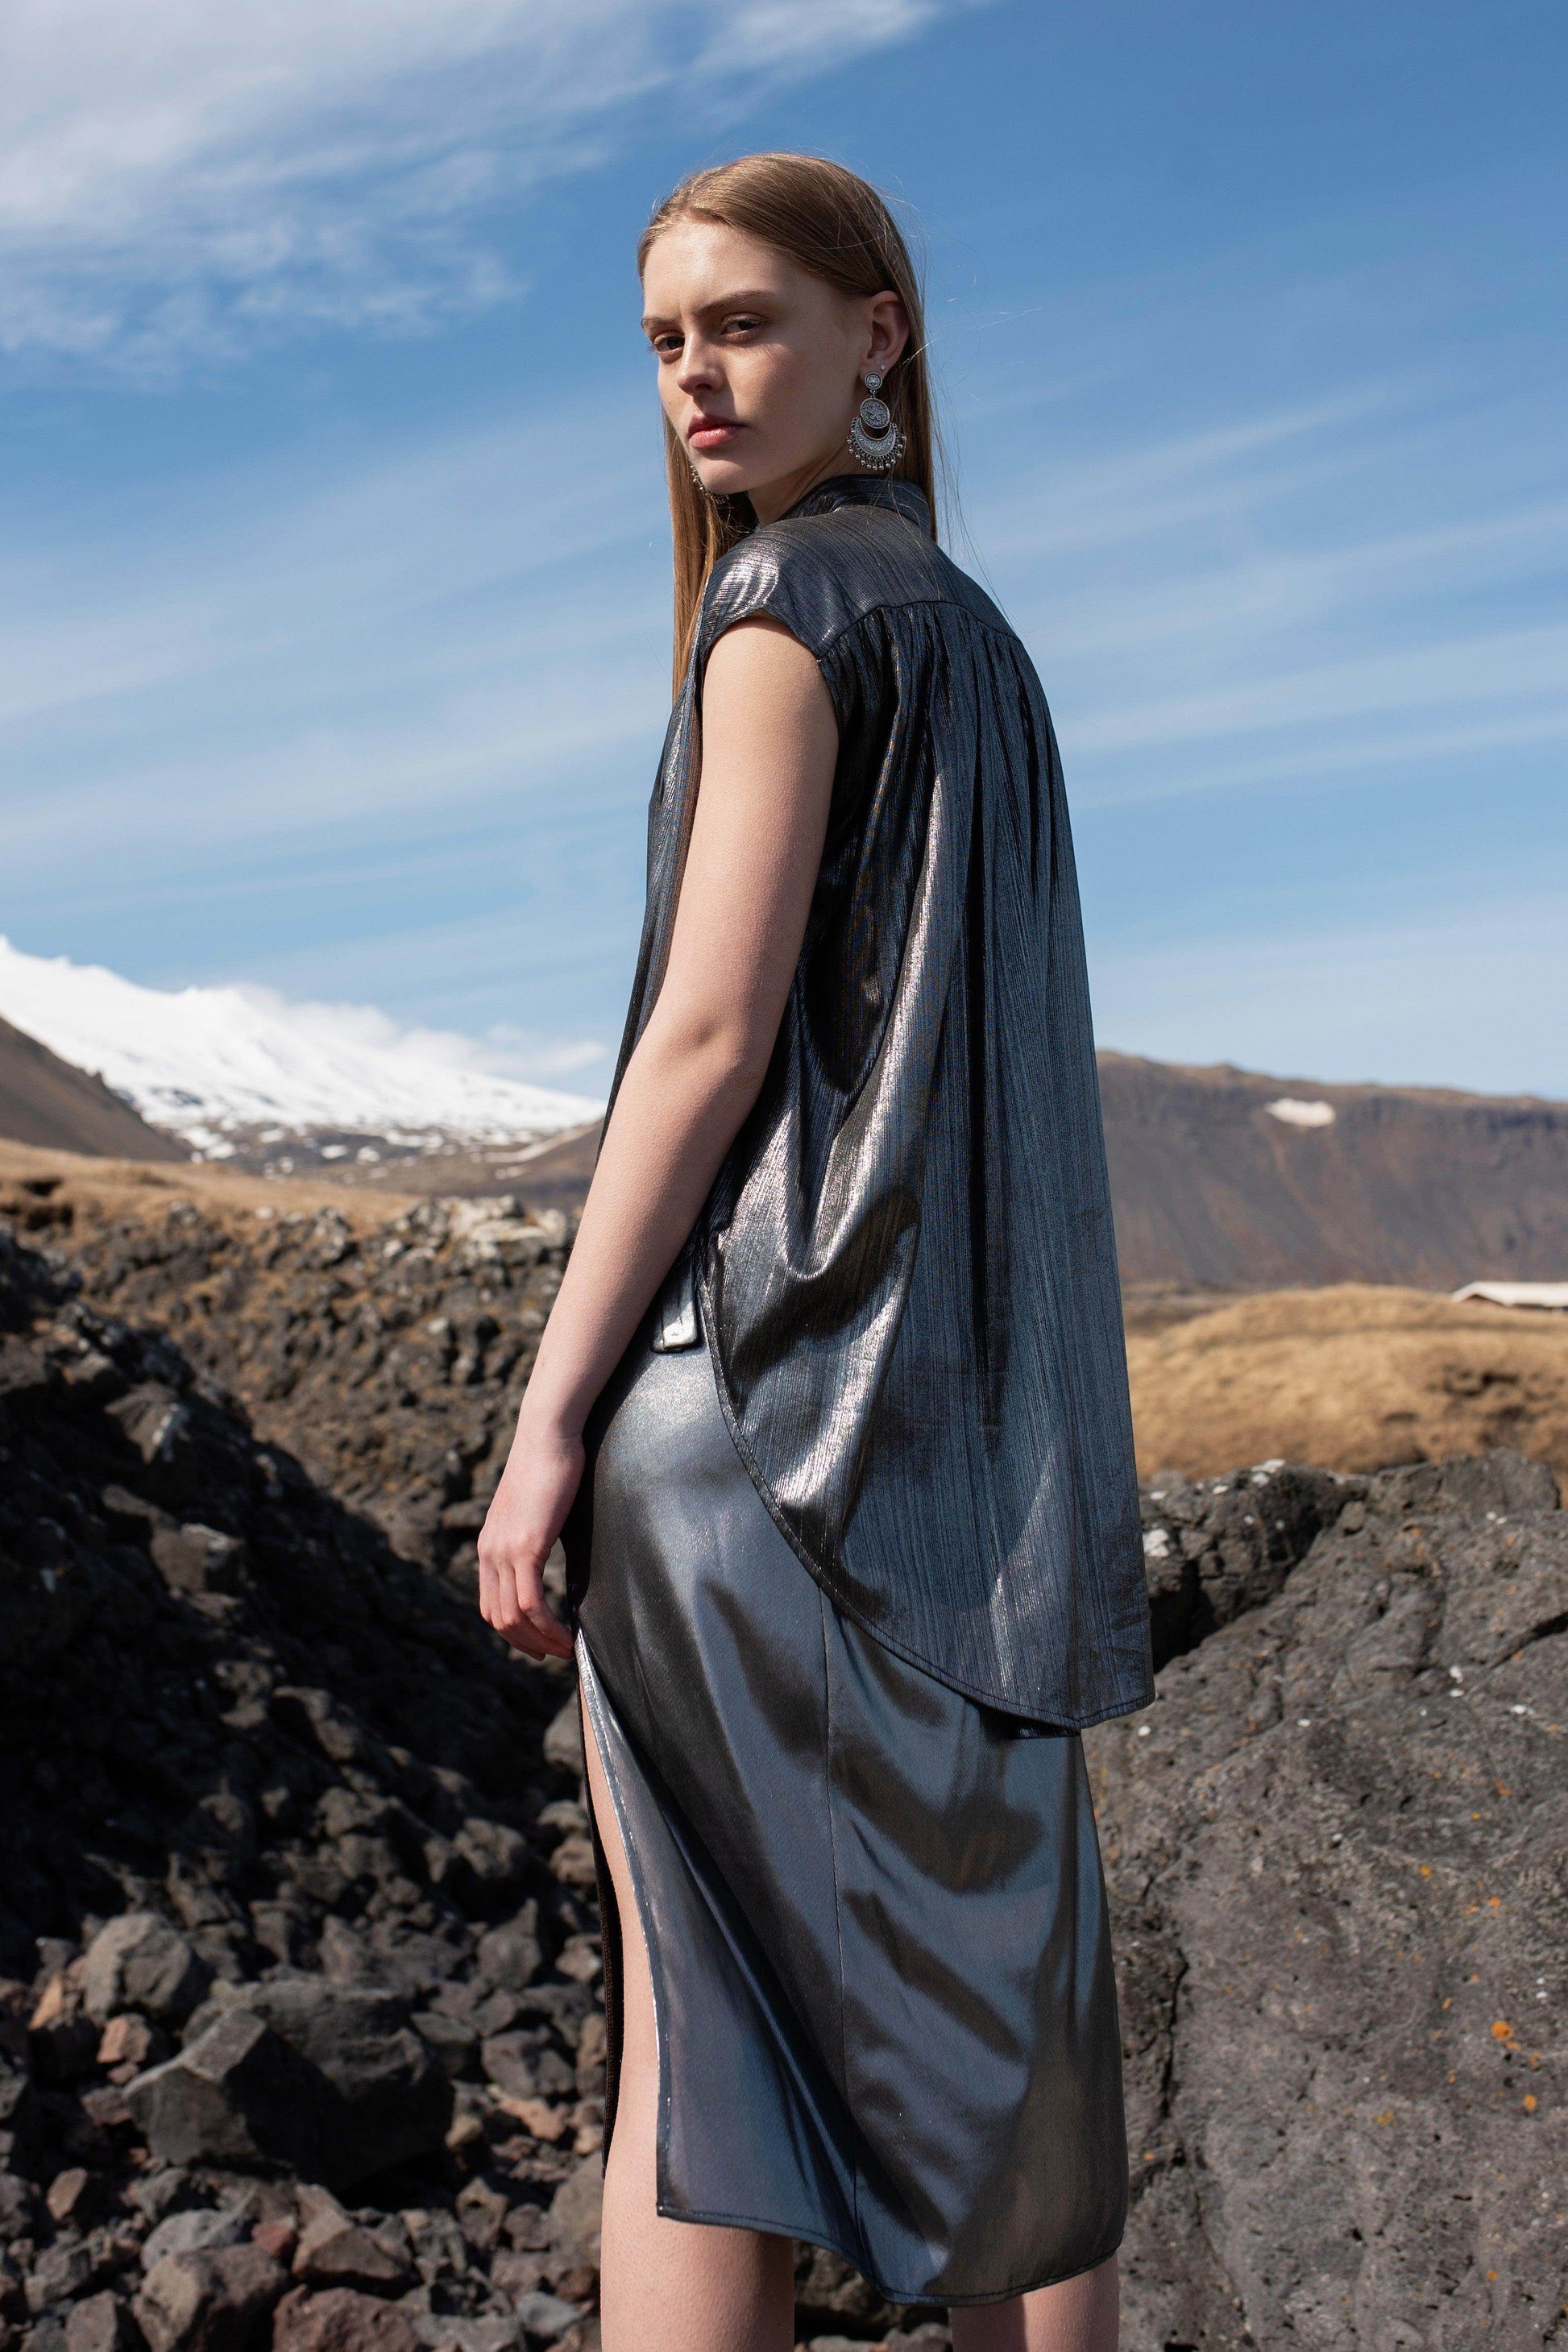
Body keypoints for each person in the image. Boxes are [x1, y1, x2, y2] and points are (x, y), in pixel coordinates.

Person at [478, 152, 1153, 2352]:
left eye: (742, 322)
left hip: (756, 1432)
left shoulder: (777, 612)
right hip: (951, 1477)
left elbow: (703, 1038)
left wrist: (545, 1422)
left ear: (880, 336)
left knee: (709, 2067)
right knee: (1017, 2080)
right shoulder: (978, 643)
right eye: (666, 339)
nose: (695, 373)